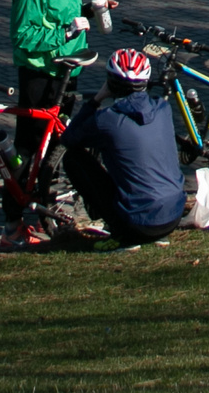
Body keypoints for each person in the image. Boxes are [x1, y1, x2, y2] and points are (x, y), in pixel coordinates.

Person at [60, 48, 190, 246]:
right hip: (173, 216)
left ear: (110, 82)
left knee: (73, 158)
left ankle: (120, 235)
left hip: (139, 225)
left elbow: (69, 138)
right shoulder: (163, 108)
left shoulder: (107, 119)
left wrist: (95, 100)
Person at [11, 0, 102, 174]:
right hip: (42, 74)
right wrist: (65, 33)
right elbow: (22, 34)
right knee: (30, 147)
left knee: (56, 145)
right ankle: (17, 199)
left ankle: (45, 194)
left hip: (66, 69)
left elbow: (62, 14)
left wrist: (89, 10)